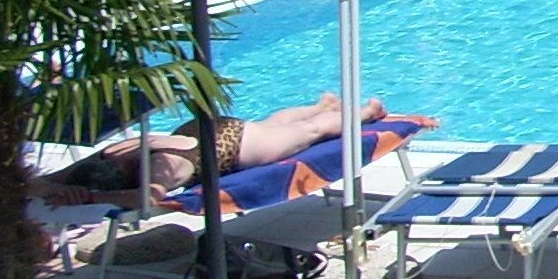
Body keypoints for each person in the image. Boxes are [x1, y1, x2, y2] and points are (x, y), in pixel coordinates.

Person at [38, 93, 391, 206]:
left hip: (230, 139)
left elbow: (149, 198)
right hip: (225, 138)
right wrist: (80, 193)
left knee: (294, 128)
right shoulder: (131, 157)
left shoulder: (142, 162)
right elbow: (150, 197)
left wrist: (81, 194)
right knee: (291, 126)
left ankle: (345, 110)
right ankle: (342, 109)